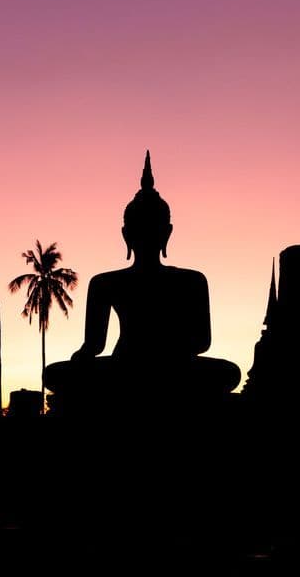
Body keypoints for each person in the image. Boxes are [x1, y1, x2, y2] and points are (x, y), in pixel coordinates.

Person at [44, 152, 240, 411]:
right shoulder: (112, 283)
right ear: (167, 233)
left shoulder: (187, 281)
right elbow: (199, 342)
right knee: (226, 373)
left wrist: (83, 357)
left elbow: (93, 346)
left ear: (126, 235)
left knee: (229, 373)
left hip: (134, 368)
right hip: (165, 369)